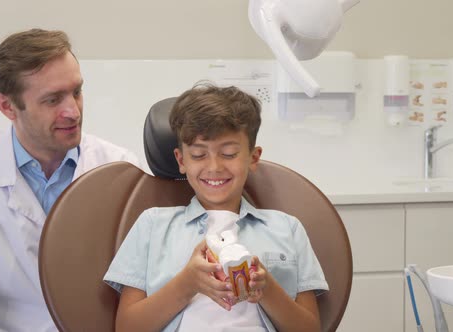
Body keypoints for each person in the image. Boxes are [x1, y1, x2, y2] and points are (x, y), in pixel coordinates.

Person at [0, 28, 139, 331]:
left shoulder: (120, 169)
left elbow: (147, 289)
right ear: (6, 106)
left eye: (77, 92)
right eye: (53, 99)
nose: (73, 111)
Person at [104, 83, 328, 331]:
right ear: (181, 160)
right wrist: (186, 284)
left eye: (229, 153)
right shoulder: (152, 225)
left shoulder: (287, 228)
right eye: (199, 155)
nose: (214, 167)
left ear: (253, 158)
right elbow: (126, 327)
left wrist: (268, 290)